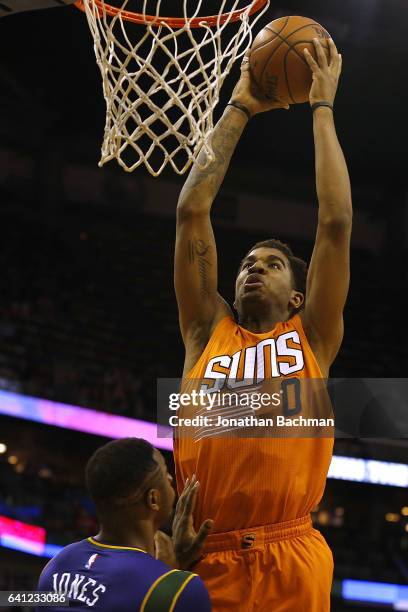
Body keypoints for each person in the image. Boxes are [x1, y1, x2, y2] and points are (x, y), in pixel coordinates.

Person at [173, 38, 351, 611]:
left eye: (271, 265)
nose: (252, 269)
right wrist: (241, 106)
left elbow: (335, 223)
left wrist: (322, 108)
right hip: (204, 554)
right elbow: (191, 211)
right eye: (247, 262)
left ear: (298, 296)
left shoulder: (312, 337)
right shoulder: (206, 331)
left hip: (291, 553)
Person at [36, 438, 213, 610]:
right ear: (153, 499)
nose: (170, 479)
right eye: (165, 472)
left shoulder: (55, 565)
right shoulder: (181, 591)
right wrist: (178, 575)